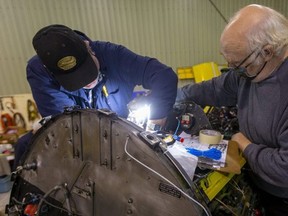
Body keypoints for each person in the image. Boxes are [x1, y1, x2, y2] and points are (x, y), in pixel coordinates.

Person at [14, 24, 178, 168]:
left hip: (122, 135)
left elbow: (164, 76)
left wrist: (157, 115)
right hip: (83, 142)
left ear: (88, 47)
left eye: (87, 70)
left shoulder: (113, 55)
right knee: (25, 146)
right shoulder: (39, 71)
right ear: (49, 70)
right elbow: (66, 128)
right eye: (74, 79)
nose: (86, 82)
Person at [177, 4, 288, 216]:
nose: (234, 70)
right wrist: (172, 95)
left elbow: (284, 169)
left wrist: (244, 144)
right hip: (255, 181)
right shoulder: (248, 73)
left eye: (239, 65)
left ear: (267, 51)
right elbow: (213, 89)